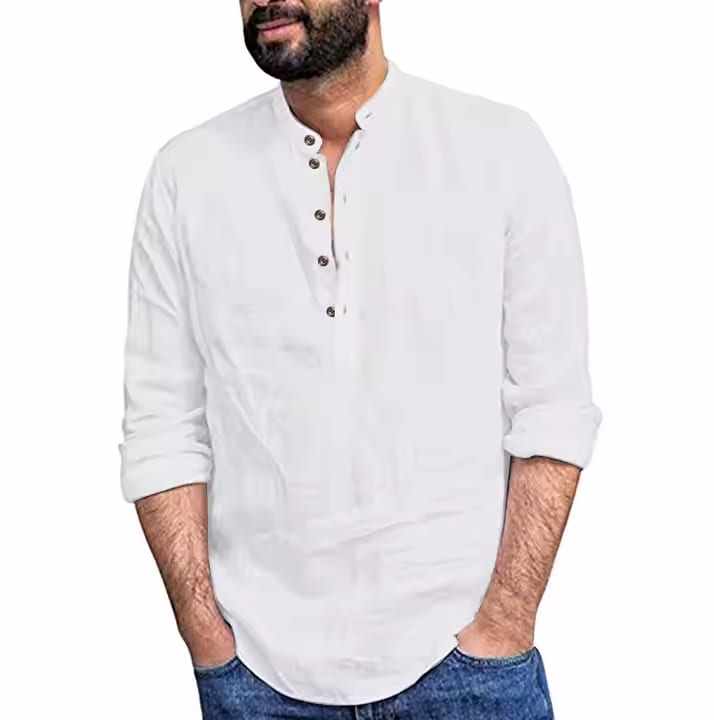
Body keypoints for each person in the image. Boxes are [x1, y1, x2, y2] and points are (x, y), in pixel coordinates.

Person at [117, 1, 602, 717]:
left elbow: (552, 411)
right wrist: (206, 638)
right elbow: (161, 426)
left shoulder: (499, 150)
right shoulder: (186, 174)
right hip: (257, 677)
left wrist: (505, 620)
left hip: (468, 670)